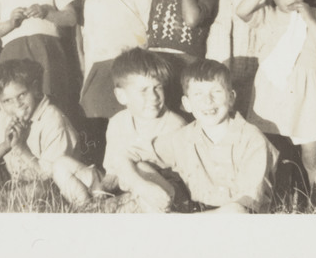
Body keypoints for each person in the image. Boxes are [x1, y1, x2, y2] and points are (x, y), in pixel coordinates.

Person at [237, 0, 316, 203]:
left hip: (307, 95)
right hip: (272, 92)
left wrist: (309, 18)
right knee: (268, 154)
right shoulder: (266, 14)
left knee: (311, 156)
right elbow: (242, 10)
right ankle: (270, 203)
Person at [119, 59, 277, 213]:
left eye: (216, 92)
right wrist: (140, 185)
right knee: (141, 169)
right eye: (198, 94)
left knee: (235, 211)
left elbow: (247, 205)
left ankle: (181, 227)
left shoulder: (252, 139)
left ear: (231, 98)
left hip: (235, 215)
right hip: (194, 209)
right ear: (187, 104)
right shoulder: (182, 137)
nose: (207, 101)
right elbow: (126, 155)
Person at [0, 59, 102, 209]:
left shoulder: (54, 119)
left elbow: (49, 179)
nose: (17, 104)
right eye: (7, 101)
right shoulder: (4, 117)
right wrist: (5, 145)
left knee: (38, 189)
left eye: (22, 95)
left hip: (59, 191)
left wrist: (21, 148)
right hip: (18, 184)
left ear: (35, 89)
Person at [78, 0, 152, 122]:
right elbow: (90, 44)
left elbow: (151, 37)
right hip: (101, 70)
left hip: (134, 69)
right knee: (101, 121)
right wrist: (87, 81)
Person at [101, 49, 186, 200]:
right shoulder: (116, 123)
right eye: (143, 90)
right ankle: (91, 204)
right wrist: (101, 190)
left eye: (157, 87)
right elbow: (112, 172)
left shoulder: (175, 126)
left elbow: (185, 180)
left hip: (165, 193)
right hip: (129, 186)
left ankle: (124, 203)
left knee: (141, 167)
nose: (153, 96)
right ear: (122, 96)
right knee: (63, 166)